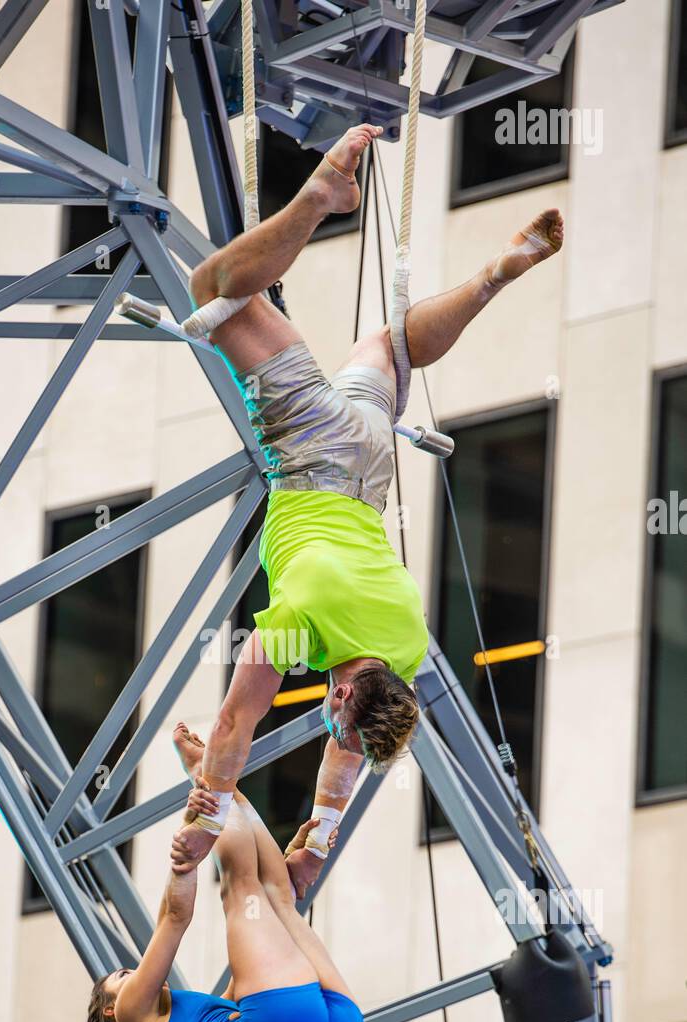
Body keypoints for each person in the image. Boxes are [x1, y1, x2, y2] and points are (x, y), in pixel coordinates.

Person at [174, 123, 563, 898]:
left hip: (369, 459)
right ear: (344, 694)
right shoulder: (301, 625)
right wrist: (205, 814)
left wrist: (315, 842)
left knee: (389, 344)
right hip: (311, 450)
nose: (327, 717)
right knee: (213, 288)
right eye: (332, 711)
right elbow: (232, 728)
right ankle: (319, 198)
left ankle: (489, 277)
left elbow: (350, 750)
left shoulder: (406, 649)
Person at [83, 725, 363, 1022]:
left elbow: (251, 982)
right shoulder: (133, 1015)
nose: (133, 973)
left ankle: (221, 786)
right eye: (122, 977)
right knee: (240, 887)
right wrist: (187, 855)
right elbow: (174, 918)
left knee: (274, 894)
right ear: (112, 1011)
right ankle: (208, 779)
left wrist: (267, 907)